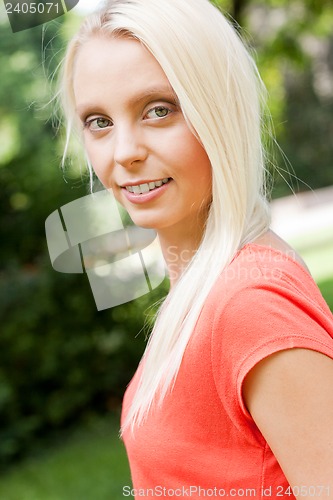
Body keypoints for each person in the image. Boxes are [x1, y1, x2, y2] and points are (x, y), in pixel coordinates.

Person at [58, 0, 333, 498]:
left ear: (218, 112)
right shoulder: (202, 284)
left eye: (158, 110)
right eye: (99, 122)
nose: (124, 152)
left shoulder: (248, 303)